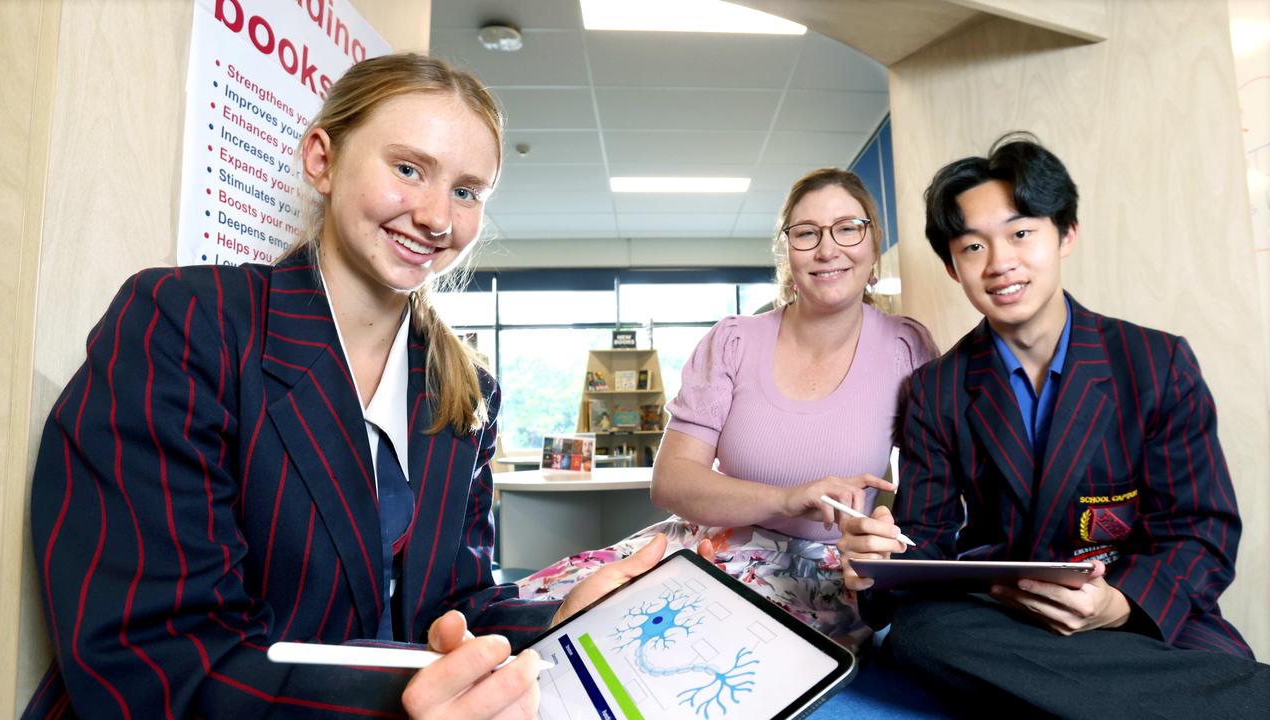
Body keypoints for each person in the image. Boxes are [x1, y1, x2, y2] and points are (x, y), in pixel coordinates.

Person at [22, 53, 671, 719]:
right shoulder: (190, 322)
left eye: (468, 191)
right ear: (322, 161)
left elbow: (453, 605)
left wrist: (563, 616)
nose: (436, 218)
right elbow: (154, 656)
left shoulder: (465, 391)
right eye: (408, 169)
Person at [839, 133, 1270, 715]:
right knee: (921, 633)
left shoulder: (1156, 362)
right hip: (1002, 617)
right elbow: (926, 540)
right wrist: (880, 563)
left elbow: (1202, 530)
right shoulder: (934, 390)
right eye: (972, 247)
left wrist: (1119, 606)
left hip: (1133, 608)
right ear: (951, 267)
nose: (1000, 263)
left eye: (1021, 233)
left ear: (1066, 234)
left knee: (1224, 666)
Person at [517, 169, 937, 651]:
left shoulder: (906, 346)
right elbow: (671, 481)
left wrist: (881, 535)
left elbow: (934, 489)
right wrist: (789, 497)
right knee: (536, 621)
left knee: (678, 658)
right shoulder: (734, 341)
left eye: (847, 227)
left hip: (825, 580)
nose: (827, 249)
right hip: (705, 547)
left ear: (873, 240)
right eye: (806, 233)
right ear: (786, 252)